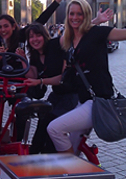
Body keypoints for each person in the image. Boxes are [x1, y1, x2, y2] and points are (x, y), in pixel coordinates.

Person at [45, 0, 126, 153]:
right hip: (83, 101)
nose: (75, 17)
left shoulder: (97, 33)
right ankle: (74, 166)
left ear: (86, 15)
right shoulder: (69, 39)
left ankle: (68, 169)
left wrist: (94, 23)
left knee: (54, 129)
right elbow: (58, 41)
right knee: (73, 147)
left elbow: (123, 35)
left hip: (98, 101)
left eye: (80, 14)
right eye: (72, 14)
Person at [0, 0, 63, 142]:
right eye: (0, 27)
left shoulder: (20, 36)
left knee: (22, 110)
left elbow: (40, 21)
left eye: (6, 26)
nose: (3, 30)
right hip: (1, 83)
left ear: (14, 27)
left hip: (20, 84)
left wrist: (55, 3)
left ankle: (18, 142)